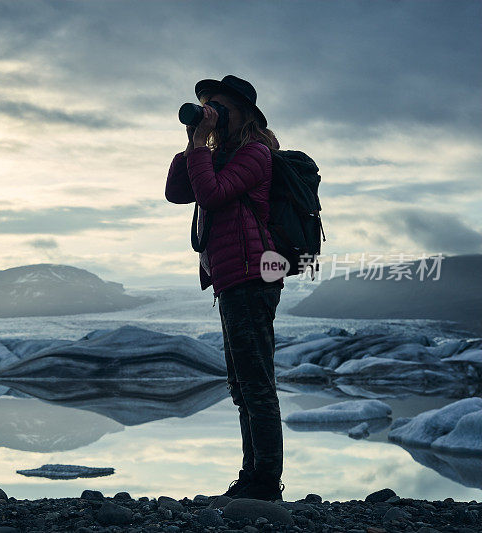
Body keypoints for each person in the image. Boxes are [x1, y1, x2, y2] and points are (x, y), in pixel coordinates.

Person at [164, 75, 286, 502]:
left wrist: (201, 147)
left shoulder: (255, 154)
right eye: (205, 105)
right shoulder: (220, 154)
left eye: (217, 106)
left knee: (256, 383)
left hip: (253, 276)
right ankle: (251, 477)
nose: (210, 112)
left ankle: (265, 483)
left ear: (244, 112)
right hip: (232, 277)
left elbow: (212, 196)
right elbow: (176, 191)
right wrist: (193, 140)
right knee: (241, 383)